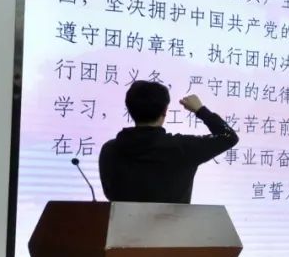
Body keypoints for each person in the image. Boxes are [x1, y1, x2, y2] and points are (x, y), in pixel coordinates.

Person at [98, 81, 239, 203]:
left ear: (129, 109)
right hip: (173, 226)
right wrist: (201, 110)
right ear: (165, 110)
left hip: (122, 226)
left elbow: (110, 194)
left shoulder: (110, 149)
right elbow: (228, 137)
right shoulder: (183, 147)